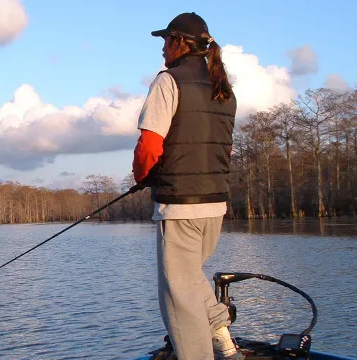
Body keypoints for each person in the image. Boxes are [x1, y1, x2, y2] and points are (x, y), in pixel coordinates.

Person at [132, 12, 242, 360]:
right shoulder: (224, 90)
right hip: (215, 206)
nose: (162, 48)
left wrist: (142, 176)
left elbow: (150, 145)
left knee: (178, 301)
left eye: (166, 40)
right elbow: (225, 149)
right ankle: (221, 335)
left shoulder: (169, 81)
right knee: (190, 278)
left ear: (179, 42)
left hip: (181, 206)